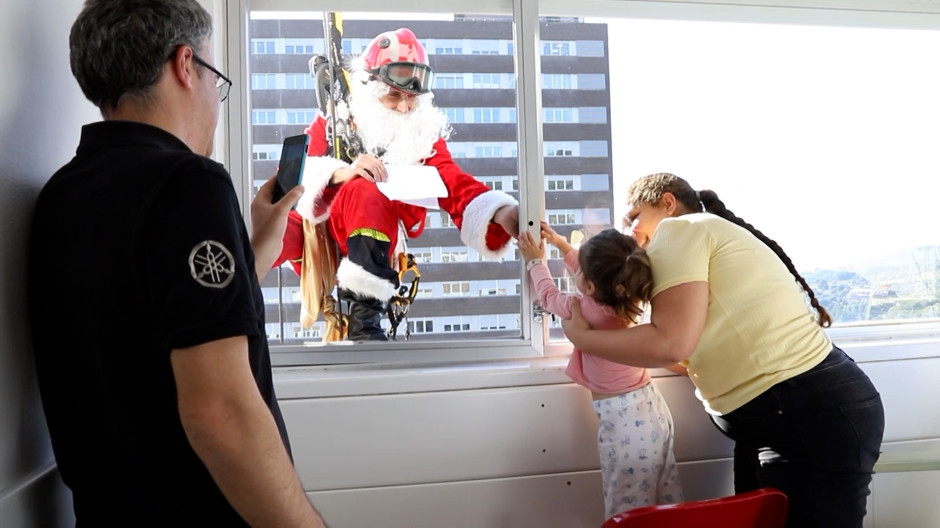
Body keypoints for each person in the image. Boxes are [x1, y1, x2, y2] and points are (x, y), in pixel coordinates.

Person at [27, 1, 326, 526]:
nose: (216, 98)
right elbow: (220, 415)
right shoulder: (188, 183)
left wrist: (258, 243)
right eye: (215, 75)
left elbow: (172, 320)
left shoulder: (62, 193)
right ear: (185, 65)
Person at [562, 172, 885, 528]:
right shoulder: (689, 257)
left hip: (810, 414)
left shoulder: (680, 230)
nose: (631, 230)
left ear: (667, 204)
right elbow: (683, 351)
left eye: (634, 216)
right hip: (785, 418)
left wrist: (583, 338)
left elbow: (670, 344)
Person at [275, 27, 519, 341]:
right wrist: (340, 173)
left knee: (368, 190)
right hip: (320, 235)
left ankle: (366, 322)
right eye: (394, 96)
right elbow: (288, 178)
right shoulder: (336, 119)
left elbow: (453, 181)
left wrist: (500, 212)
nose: (405, 107)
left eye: (412, 98)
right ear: (372, 88)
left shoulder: (421, 135)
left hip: (375, 238)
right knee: (264, 235)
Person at [518, 223, 684, 517]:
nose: (575, 270)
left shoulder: (580, 309)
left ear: (591, 286)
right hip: (652, 410)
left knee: (626, 508)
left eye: (578, 269)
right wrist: (561, 245)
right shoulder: (628, 298)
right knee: (662, 497)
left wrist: (534, 260)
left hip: (624, 423)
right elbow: (597, 271)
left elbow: (547, 293)